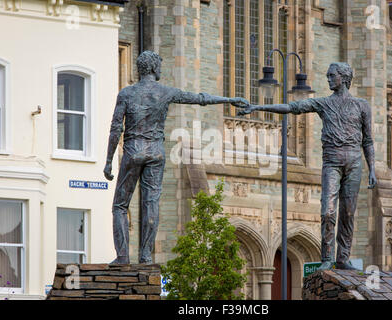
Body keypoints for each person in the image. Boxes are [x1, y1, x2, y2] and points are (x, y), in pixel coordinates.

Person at [104, 50, 248, 264]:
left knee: (120, 205)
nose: (161, 69)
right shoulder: (166, 92)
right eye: (159, 66)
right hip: (156, 152)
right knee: (151, 203)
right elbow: (199, 99)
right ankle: (145, 256)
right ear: (153, 68)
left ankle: (123, 256)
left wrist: (109, 161)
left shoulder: (126, 93)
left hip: (134, 150)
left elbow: (116, 128)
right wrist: (229, 99)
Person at [238, 62, 377, 270]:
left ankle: (343, 257)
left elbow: (368, 140)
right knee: (328, 212)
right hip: (332, 161)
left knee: (348, 213)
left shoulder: (362, 105)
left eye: (332, 76)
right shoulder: (323, 104)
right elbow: (292, 108)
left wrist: (372, 169)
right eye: (328, 75)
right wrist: (257, 107)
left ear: (344, 78)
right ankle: (327, 258)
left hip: (354, 163)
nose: (328, 79)